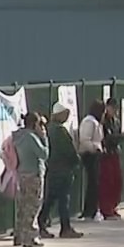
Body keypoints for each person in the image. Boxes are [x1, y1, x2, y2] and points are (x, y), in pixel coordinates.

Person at [40, 101, 83, 239]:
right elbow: (68, 150)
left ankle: (41, 224)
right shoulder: (59, 131)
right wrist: (76, 160)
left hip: (53, 169)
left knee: (50, 199)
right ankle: (65, 228)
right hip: (62, 170)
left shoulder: (49, 129)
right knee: (63, 200)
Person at [11, 111, 50, 247]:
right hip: (34, 174)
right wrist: (44, 137)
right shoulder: (31, 137)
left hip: (22, 173)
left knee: (22, 206)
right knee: (33, 206)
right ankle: (30, 237)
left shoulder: (18, 136)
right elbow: (44, 154)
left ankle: (19, 235)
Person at [76, 100, 106, 221]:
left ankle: (93, 209)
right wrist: (95, 148)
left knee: (95, 183)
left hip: (96, 154)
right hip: (89, 154)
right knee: (93, 182)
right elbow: (85, 139)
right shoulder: (89, 122)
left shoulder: (97, 122)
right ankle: (89, 211)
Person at [97, 96, 124, 220]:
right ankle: (106, 209)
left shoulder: (116, 121)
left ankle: (114, 206)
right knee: (107, 181)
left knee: (117, 180)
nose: (114, 111)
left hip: (115, 152)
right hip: (106, 154)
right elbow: (106, 138)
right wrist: (119, 137)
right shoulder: (103, 121)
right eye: (112, 108)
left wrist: (120, 137)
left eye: (116, 109)